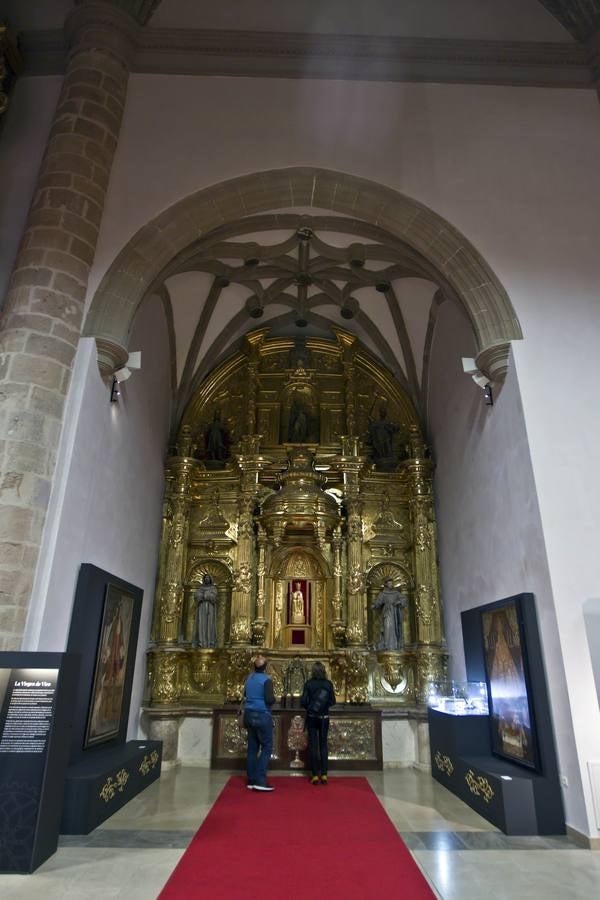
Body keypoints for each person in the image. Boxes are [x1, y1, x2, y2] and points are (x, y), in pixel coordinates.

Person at [243, 654, 276, 791]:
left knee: (252, 748)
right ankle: (260, 780)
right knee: (267, 747)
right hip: (262, 714)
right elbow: (269, 700)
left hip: (249, 714)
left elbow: (245, 694)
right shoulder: (266, 680)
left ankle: (251, 779)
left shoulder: (249, 678)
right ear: (265, 667)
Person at [301, 661, 336, 784]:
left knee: (313, 745)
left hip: (312, 717)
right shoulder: (328, 684)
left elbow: (303, 701)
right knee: (323, 745)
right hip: (324, 717)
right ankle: (324, 774)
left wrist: (311, 707)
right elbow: (333, 701)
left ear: (313, 671)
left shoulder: (309, 684)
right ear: (323, 671)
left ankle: (315, 775)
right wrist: (324, 706)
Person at [372, 578, 407, 651]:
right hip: (387, 612)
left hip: (395, 613)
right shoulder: (383, 594)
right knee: (387, 628)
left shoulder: (396, 593)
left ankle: (395, 646)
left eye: (392, 583)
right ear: (386, 584)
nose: (391, 584)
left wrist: (398, 602)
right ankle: (387, 645)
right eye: (389, 583)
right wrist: (374, 605)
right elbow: (378, 602)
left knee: (394, 630)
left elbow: (404, 599)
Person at [194, 573, 218, 647]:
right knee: (201, 624)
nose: (207, 579)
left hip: (210, 608)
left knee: (210, 625)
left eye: (208, 577)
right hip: (202, 607)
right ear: (204, 579)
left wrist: (207, 595)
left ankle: (210, 642)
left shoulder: (213, 588)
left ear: (210, 579)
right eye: (206, 577)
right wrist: (201, 596)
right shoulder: (200, 588)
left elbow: (215, 597)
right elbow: (196, 596)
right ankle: (201, 642)